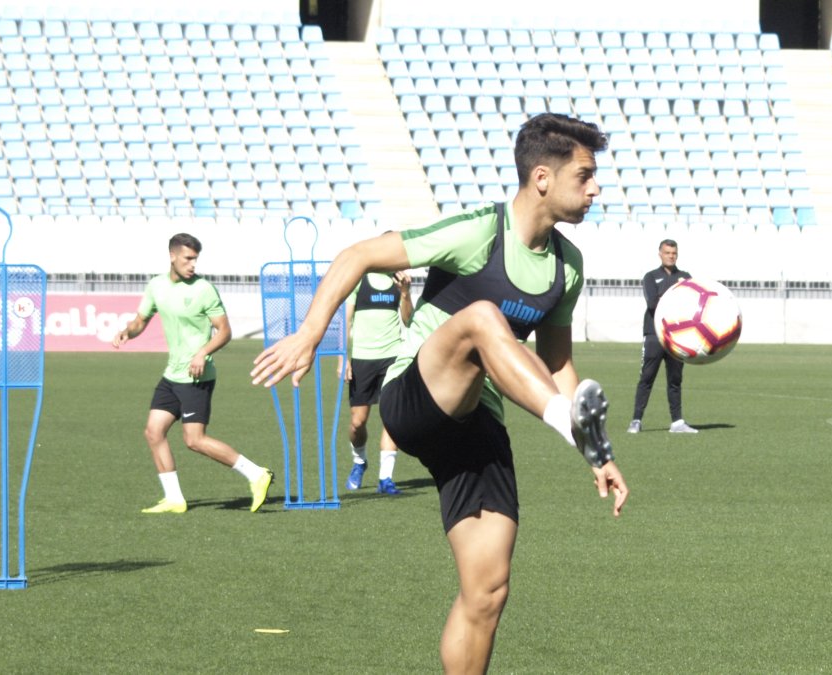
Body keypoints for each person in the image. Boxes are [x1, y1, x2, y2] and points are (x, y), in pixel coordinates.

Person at [250, 113, 628, 673]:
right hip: (414, 397)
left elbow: (559, 363)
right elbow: (358, 255)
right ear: (542, 177)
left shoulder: (567, 266)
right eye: (585, 175)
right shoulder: (479, 231)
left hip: (477, 423)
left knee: (488, 591)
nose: (596, 188)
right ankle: (561, 420)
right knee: (481, 317)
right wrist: (308, 334)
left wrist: (599, 455)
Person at [114, 233, 273, 514]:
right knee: (153, 432)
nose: (192, 264)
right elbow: (141, 320)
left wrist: (202, 353)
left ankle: (256, 474)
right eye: (188, 258)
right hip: (173, 374)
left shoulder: (203, 290)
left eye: (195, 259)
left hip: (197, 377)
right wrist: (128, 331)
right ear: (172, 256)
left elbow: (225, 332)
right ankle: (174, 499)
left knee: (194, 440)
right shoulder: (156, 286)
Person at [340, 270, 414, 493]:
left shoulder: (399, 282)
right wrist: (343, 358)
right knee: (357, 423)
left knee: (392, 417)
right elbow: (346, 321)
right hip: (362, 359)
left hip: (392, 358)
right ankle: (359, 462)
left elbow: (408, 319)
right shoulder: (359, 280)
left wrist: (405, 293)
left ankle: (385, 478)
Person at [627, 239, 697, 434]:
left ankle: (677, 422)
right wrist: (677, 291)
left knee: (675, 379)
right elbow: (652, 303)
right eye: (667, 252)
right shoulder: (651, 277)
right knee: (647, 377)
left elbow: (690, 303)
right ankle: (636, 420)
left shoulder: (685, 277)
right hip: (654, 333)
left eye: (674, 253)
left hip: (677, 336)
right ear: (660, 254)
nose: (670, 256)